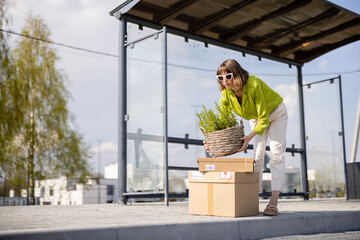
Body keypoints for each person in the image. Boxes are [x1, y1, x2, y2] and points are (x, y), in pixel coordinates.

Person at [204, 59, 288, 216]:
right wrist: (211, 141)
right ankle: (252, 199)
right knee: (257, 156)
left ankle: (273, 201)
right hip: (256, 118)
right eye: (220, 78)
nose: (224, 81)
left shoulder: (254, 84)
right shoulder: (225, 95)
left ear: (237, 74)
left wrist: (248, 137)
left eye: (227, 76)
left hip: (276, 113)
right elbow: (224, 124)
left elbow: (264, 117)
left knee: (276, 154)